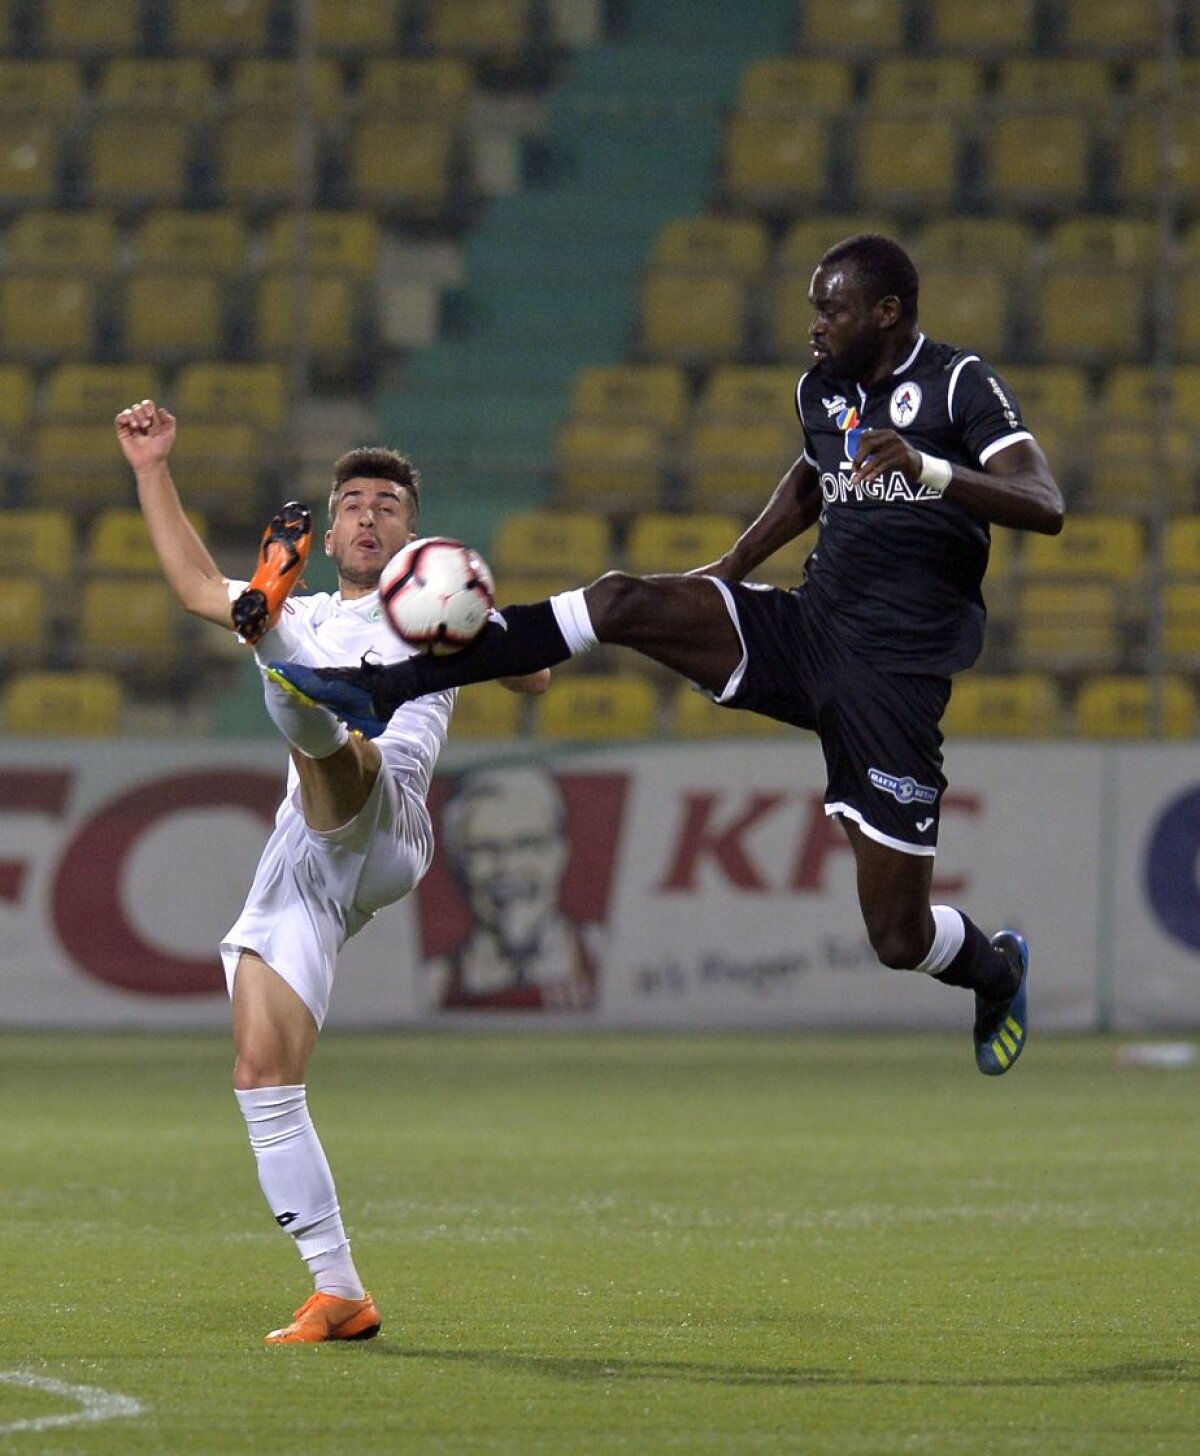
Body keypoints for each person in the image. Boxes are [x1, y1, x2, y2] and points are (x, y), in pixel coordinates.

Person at [272, 233, 1066, 1077]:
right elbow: (812, 475)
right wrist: (730, 568)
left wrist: (931, 470)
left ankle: (995, 969)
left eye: (830, 309)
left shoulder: (956, 384)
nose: (815, 326)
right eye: (812, 309)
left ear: (887, 312)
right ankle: (387, 685)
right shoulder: (823, 388)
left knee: (898, 936)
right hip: (808, 631)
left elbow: (1044, 503)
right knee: (623, 599)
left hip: (894, 683)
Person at [114, 400, 547, 1344]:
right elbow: (192, 583)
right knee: (262, 1074)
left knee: (335, 730)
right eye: (350, 501)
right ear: (331, 521)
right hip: (303, 862)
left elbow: (537, 680)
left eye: (386, 505)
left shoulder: (429, 601)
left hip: (383, 813)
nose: (365, 515)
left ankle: (289, 672)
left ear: (411, 531)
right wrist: (152, 467)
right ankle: (339, 1291)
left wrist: (474, 619)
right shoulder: (310, 607)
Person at [427, 765, 603, 1010]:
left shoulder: (606, 957)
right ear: (457, 863)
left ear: (561, 853)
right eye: (485, 849)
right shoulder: (433, 983)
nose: (508, 868)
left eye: (528, 844)